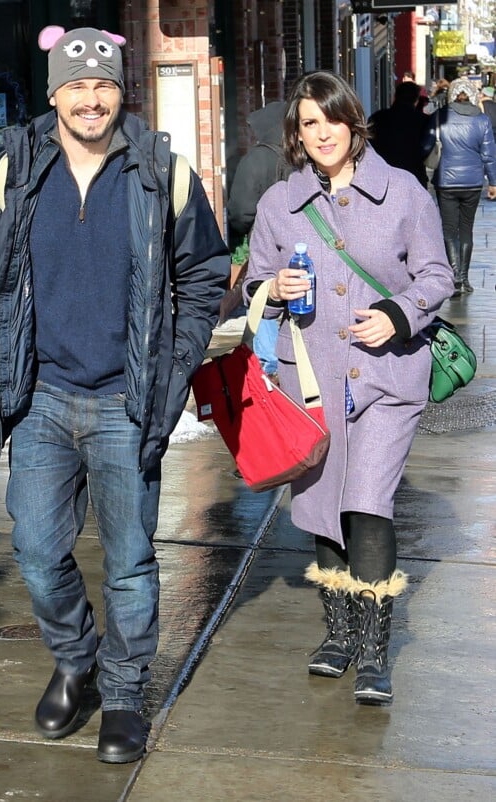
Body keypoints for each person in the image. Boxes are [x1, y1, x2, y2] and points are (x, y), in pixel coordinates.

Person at [0, 25, 229, 763]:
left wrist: (172, 369)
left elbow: (205, 275)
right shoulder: (15, 170)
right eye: (76, 84)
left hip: (125, 398)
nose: (91, 97)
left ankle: (124, 691)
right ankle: (77, 658)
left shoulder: (159, 171)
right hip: (40, 394)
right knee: (38, 550)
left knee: (132, 558)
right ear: (54, 92)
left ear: (120, 91)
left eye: (103, 83)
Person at [243, 71, 454, 706]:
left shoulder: (404, 192)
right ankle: (336, 634)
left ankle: (373, 649)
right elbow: (253, 284)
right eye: (309, 123)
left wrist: (399, 312)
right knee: (321, 506)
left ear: (352, 121)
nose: (322, 132)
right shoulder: (282, 204)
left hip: (387, 378)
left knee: (367, 503)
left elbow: (437, 274)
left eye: (331, 118)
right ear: (297, 135)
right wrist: (272, 288)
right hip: (310, 381)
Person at [227, 101, 292, 382]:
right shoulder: (302, 155)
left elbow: (240, 211)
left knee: (265, 295)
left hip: (264, 243)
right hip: (303, 243)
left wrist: (243, 234)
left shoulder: (255, 159)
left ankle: (269, 364)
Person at [424, 77, 496, 294]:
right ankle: (464, 278)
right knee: (466, 230)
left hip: (446, 181)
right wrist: (493, 182)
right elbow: (489, 155)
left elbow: (426, 144)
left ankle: (454, 276)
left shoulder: (439, 117)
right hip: (473, 183)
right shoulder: (482, 120)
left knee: (448, 230)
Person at [369, 81, 430, 188]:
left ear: (395, 96)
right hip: (414, 175)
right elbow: (428, 147)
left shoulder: (377, 118)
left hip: (384, 174)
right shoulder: (424, 120)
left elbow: (369, 145)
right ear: (416, 100)